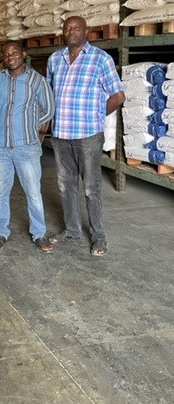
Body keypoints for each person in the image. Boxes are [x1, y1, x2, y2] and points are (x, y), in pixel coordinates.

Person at [46, 16, 125, 256]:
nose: (71, 31)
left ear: (86, 31)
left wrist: (96, 116)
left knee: (91, 187)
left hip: (88, 134)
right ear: (63, 32)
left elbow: (118, 96)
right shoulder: (54, 59)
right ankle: (72, 230)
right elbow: (49, 95)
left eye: (76, 28)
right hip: (60, 134)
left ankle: (99, 236)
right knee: (65, 185)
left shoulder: (100, 59)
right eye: (67, 28)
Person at [0, 41, 55, 253]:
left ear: (23, 54)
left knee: (33, 192)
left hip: (27, 147)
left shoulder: (36, 81)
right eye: (6, 54)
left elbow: (49, 108)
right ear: (3, 58)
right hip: (1, 147)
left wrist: (31, 124)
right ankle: (2, 231)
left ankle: (39, 233)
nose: (11, 56)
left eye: (15, 52)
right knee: (0, 192)